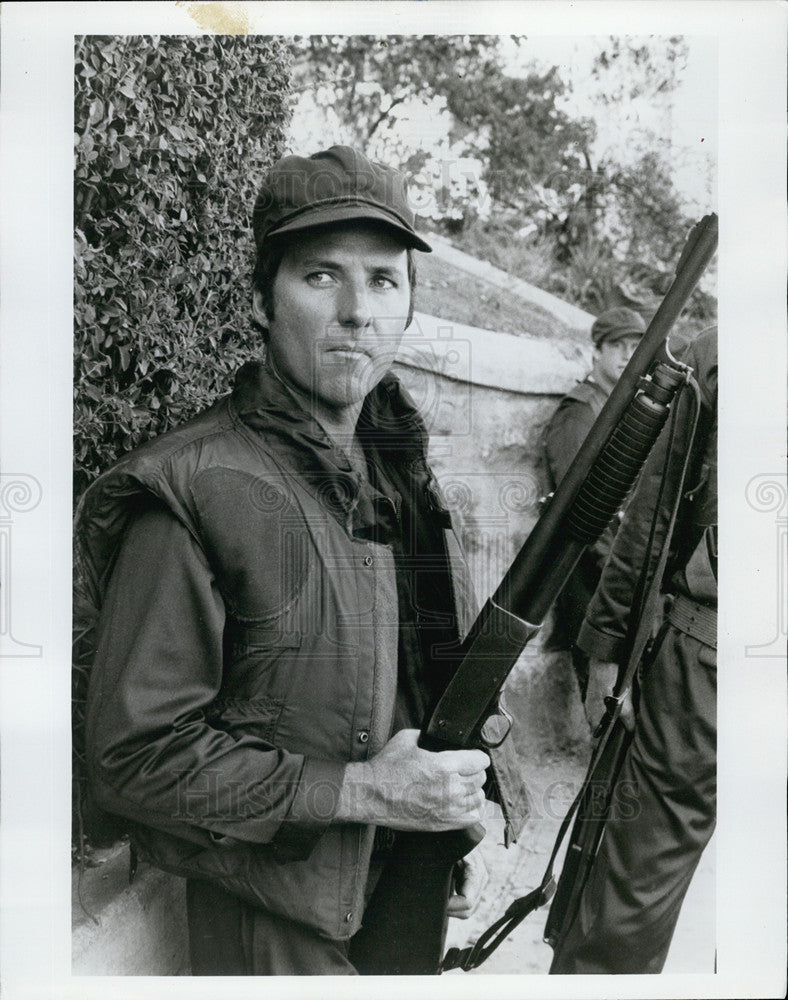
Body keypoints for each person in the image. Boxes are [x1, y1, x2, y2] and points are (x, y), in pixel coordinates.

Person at [75, 146, 528, 976]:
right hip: (274, 931)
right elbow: (131, 759)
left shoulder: (403, 476)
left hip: (402, 891)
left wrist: (452, 797)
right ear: (261, 299)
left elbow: (419, 687)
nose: (357, 310)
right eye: (321, 276)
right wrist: (363, 792)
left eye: (384, 280)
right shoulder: (192, 489)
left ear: (409, 309)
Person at [550, 326, 718, 974]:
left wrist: (608, 646)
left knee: (625, 898)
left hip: (704, 663)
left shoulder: (719, 350)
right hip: (708, 654)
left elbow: (651, 520)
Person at [542, 307, 647, 700]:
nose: (625, 355)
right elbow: (579, 506)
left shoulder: (625, 406)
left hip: (617, 567)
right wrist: (612, 568)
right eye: (616, 346)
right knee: (603, 695)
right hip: (587, 569)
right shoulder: (580, 410)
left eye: (634, 347)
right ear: (597, 352)